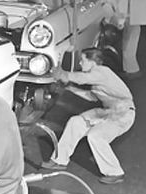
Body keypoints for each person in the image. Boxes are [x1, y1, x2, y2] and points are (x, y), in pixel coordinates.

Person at [41, 47, 135, 185]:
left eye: (83, 60)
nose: (80, 64)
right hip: (108, 112)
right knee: (76, 122)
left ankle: (115, 173)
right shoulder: (97, 78)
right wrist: (67, 88)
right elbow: (91, 96)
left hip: (123, 114)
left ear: (93, 62)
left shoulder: (102, 72)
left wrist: (64, 74)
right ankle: (59, 160)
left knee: (96, 136)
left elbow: (83, 78)